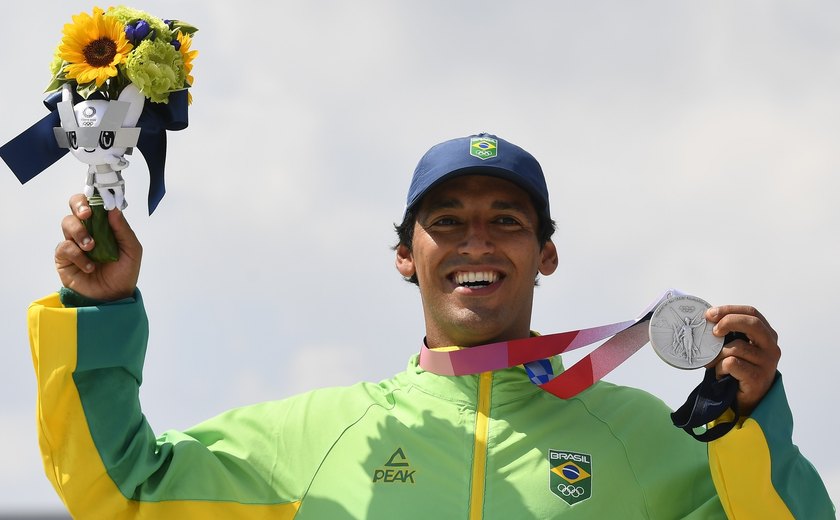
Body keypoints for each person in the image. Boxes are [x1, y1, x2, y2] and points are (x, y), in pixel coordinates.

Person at [31, 133, 833, 519]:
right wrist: (99, 316)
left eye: (506, 221)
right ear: (405, 257)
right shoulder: (321, 437)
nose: (475, 242)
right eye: (446, 222)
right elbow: (120, 489)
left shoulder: (645, 439)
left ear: (546, 255)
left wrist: (747, 419)